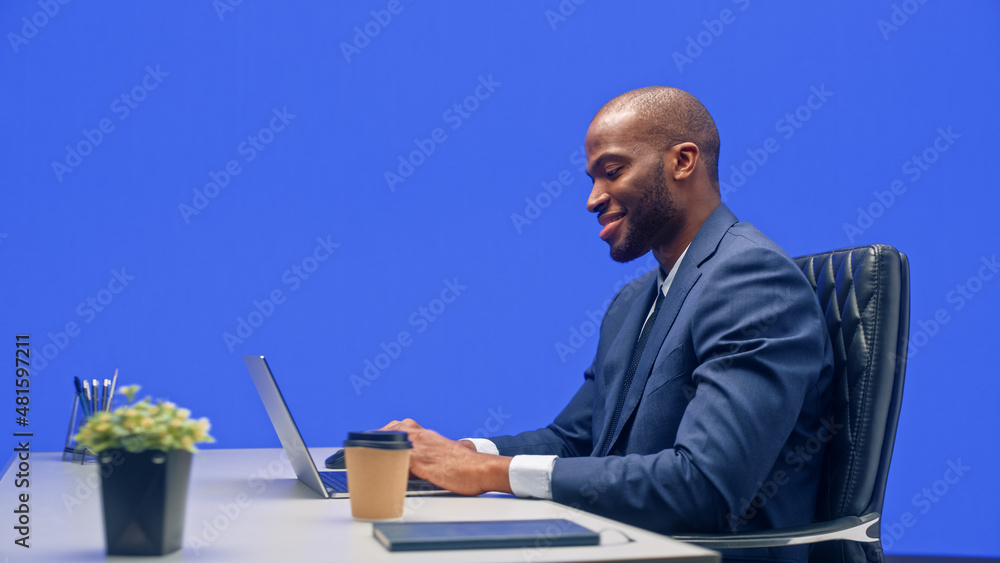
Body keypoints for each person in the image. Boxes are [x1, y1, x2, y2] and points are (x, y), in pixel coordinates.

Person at [382, 87, 834, 562]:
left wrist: (490, 473)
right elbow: (576, 441)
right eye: (592, 178)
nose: (593, 198)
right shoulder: (634, 299)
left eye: (613, 172)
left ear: (683, 161)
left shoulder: (751, 281)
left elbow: (704, 487)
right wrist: (458, 453)